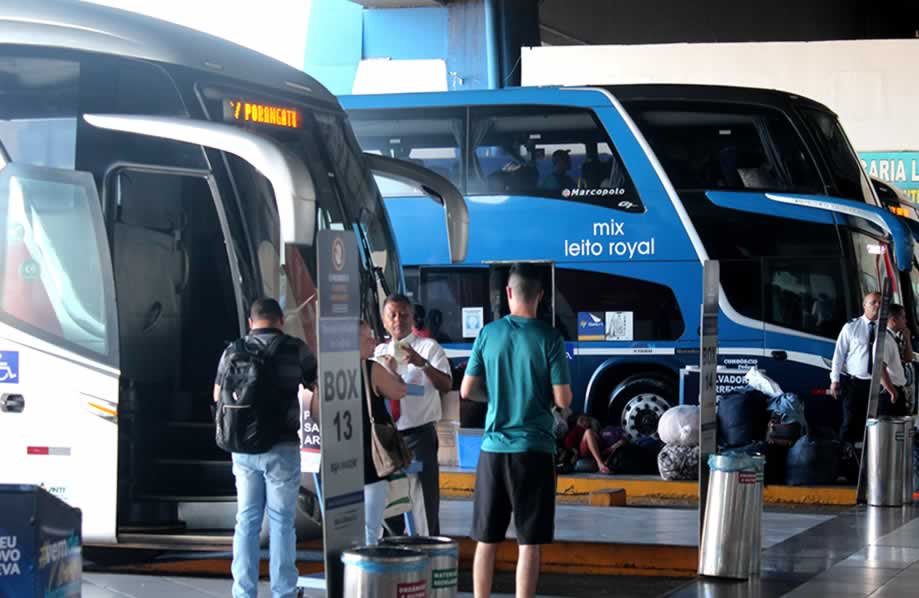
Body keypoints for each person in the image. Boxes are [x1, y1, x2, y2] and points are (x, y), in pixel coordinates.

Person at [460, 263, 572, 598]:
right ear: (539, 295)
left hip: (493, 451)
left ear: (508, 293)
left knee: (486, 540)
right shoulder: (549, 337)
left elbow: (467, 391)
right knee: (529, 542)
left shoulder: (488, 334)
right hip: (535, 450)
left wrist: (495, 394)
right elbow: (563, 398)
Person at [213, 298, 317, 598]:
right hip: (281, 446)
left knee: (246, 519)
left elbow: (218, 393)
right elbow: (316, 384)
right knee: (282, 521)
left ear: (251, 322)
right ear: (280, 319)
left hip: (243, 448)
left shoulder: (234, 349)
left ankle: (243, 592)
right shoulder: (295, 348)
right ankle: (283, 590)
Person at [375, 294, 452, 536]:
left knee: (423, 504)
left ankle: (428, 552)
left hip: (419, 435)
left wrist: (422, 364)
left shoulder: (429, 348)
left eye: (404, 314)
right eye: (393, 315)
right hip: (387, 437)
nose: (398, 320)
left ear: (412, 318)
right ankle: (394, 552)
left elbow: (446, 385)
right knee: (390, 503)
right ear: (384, 320)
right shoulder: (378, 352)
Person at [830, 292, 904, 444]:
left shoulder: (885, 331)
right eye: (873, 302)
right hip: (856, 383)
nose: (877, 305)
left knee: (875, 424)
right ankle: (845, 456)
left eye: (880, 303)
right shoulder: (851, 327)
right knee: (850, 421)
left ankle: (870, 458)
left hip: (878, 385)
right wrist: (834, 379)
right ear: (865, 305)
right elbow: (839, 354)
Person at [358, 321, 409, 544]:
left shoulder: (326, 371)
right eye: (367, 338)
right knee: (369, 529)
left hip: (337, 463)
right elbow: (399, 391)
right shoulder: (371, 368)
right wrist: (392, 371)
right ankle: (365, 577)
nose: (374, 342)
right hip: (370, 460)